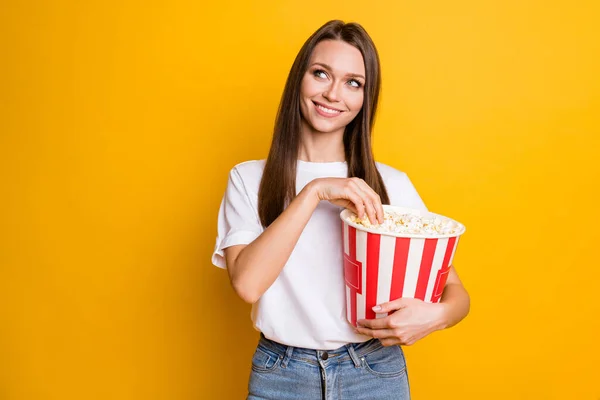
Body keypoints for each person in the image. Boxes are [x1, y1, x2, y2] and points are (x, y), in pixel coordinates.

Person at [211, 20, 470, 400]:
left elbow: (456, 292)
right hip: (281, 376)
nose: (333, 94)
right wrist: (314, 192)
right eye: (320, 74)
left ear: (366, 98)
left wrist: (436, 317)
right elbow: (248, 285)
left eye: (353, 83)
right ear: (299, 79)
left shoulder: (389, 184)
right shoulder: (249, 179)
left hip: (374, 373)